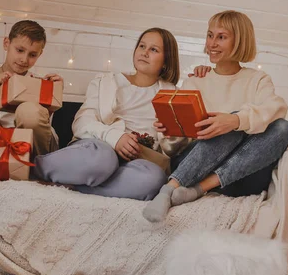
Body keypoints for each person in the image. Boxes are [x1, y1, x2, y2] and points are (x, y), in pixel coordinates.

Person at [143, 10, 288, 222]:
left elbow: (277, 108)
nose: (212, 43)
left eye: (221, 37)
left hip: (242, 176)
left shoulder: (258, 79)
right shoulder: (195, 81)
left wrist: (236, 120)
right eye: (209, 35)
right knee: (227, 125)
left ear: (240, 41)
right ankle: (168, 191)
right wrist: (172, 131)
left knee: (281, 127)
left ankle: (197, 190)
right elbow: (172, 148)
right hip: (192, 170)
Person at [35, 28, 184, 201]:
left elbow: (174, 148)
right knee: (103, 159)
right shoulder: (106, 82)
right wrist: (115, 137)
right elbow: (82, 123)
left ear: (166, 60)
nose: (144, 52)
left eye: (154, 49)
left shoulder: (173, 95)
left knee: (154, 179)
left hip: (137, 161)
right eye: (142, 46)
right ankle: (35, 168)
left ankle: (74, 185)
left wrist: (171, 136)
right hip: (99, 147)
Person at [0, 20, 63, 156]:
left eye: (32, 55)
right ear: (6, 44)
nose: (24, 59)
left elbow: (42, 125)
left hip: (31, 147)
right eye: (20, 50)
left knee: (29, 111)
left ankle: (38, 166)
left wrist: (53, 96)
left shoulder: (37, 82)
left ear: (40, 54)